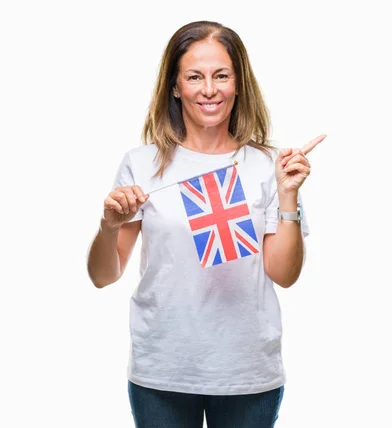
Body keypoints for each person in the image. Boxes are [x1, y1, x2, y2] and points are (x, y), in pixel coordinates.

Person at [86, 20, 324, 428]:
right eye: (194, 76)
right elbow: (103, 276)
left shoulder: (268, 165)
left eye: (221, 76)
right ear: (175, 86)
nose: (209, 89)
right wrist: (109, 226)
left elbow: (283, 275)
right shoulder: (141, 163)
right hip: (162, 368)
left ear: (238, 84)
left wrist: (287, 195)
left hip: (247, 371)